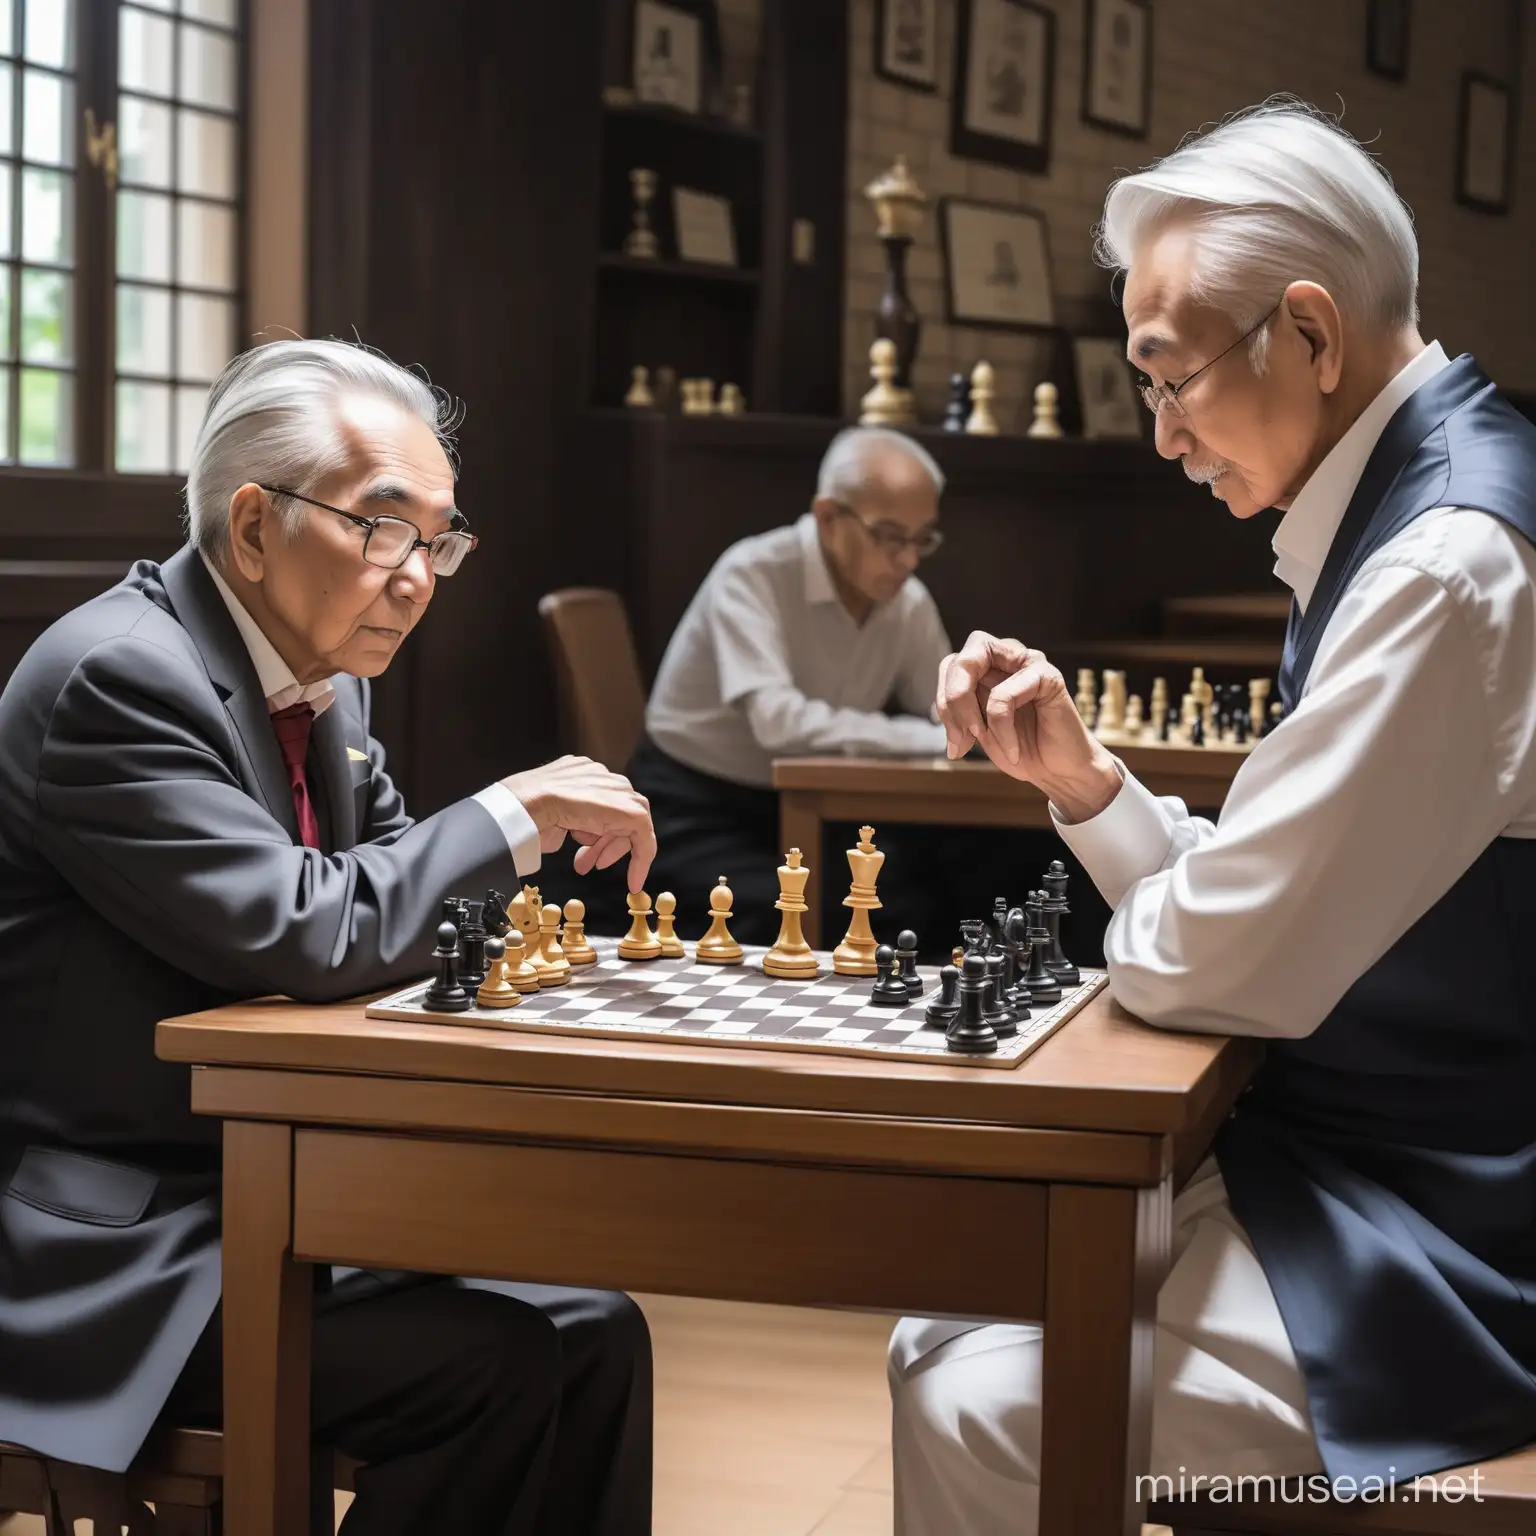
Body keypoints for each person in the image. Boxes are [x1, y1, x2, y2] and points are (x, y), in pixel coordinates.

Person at [892, 99, 1536, 1533]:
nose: (1164, 436)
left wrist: (1178, 900)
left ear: (1309, 336)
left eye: (1170, 377)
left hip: (1446, 1234)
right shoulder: (1404, 502)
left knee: (972, 1396)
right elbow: (1256, 909)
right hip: (1365, 1159)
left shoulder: (1442, 566)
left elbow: (1212, 960)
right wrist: (1093, 789)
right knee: (951, 1326)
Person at [0, 340, 657, 1535]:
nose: (420, 577)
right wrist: (513, 813)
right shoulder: (117, 680)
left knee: (597, 1332)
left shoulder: (324, 682)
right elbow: (318, 928)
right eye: (384, 530)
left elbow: (406, 907)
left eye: (440, 541)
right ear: (253, 527)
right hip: (114, 1249)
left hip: (266, 1192)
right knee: (493, 1371)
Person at [631, 425, 951, 943]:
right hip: (696, 805)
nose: (909, 560)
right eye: (890, 537)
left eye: (923, 539)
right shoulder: (752, 572)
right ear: (828, 517)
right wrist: (931, 739)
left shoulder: (906, 599)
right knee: (787, 915)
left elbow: (945, 710)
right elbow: (778, 723)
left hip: (824, 808)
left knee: (919, 900)